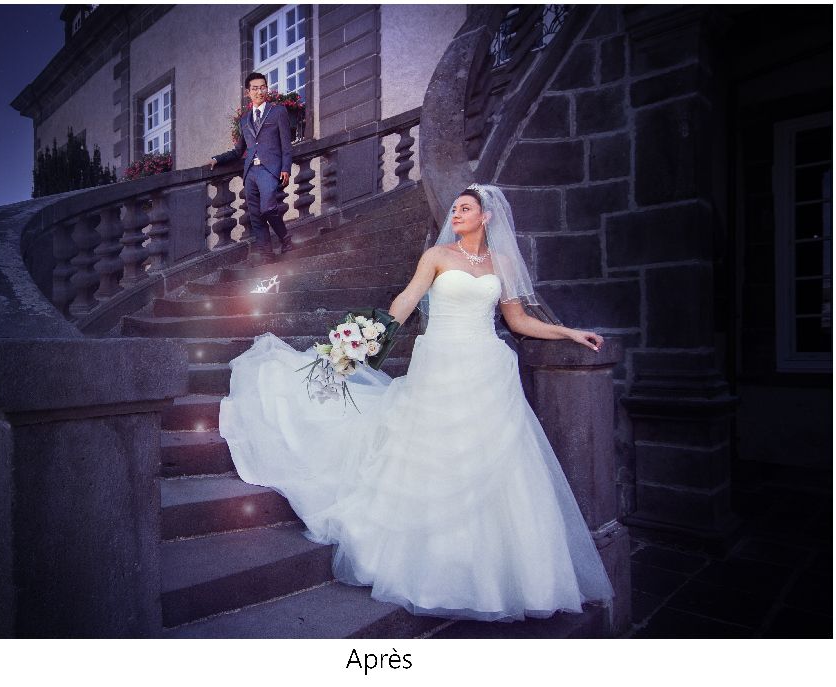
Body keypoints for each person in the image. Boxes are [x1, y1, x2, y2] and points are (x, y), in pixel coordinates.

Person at [216, 184, 613, 621]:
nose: (457, 213)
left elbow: (518, 320)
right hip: (440, 362)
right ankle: (429, 569)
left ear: (487, 217)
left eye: (466, 208)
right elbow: (407, 299)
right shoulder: (438, 256)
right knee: (430, 456)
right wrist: (365, 339)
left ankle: (493, 577)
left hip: (486, 367)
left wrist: (569, 333)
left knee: (498, 466)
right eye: (456, 208)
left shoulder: (502, 263)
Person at [209, 72, 296, 259]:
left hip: (269, 170)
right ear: (248, 92)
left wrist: (286, 169)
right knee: (255, 216)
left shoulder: (278, 111)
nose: (260, 91)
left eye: (263, 87)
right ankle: (267, 254)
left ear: (267, 88)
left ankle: (285, 238)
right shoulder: (244, 120)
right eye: (255, 88)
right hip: (250, 173)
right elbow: (238, 151)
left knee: (268, 209)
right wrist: (217, 159)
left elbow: (286, 146)